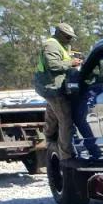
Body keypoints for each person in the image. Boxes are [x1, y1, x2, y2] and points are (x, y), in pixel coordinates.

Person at [33, 23, 81, 159]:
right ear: (59, 33)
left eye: (70, 37)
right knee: (66, 120)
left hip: (53, 87)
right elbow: (53, 65)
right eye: (67, 36)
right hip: (52, 87)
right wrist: (71, 63)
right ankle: (66, 156)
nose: (69, 39)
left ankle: (49, 140)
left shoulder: (59, 45)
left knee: (53, 116)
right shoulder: (52, 44)